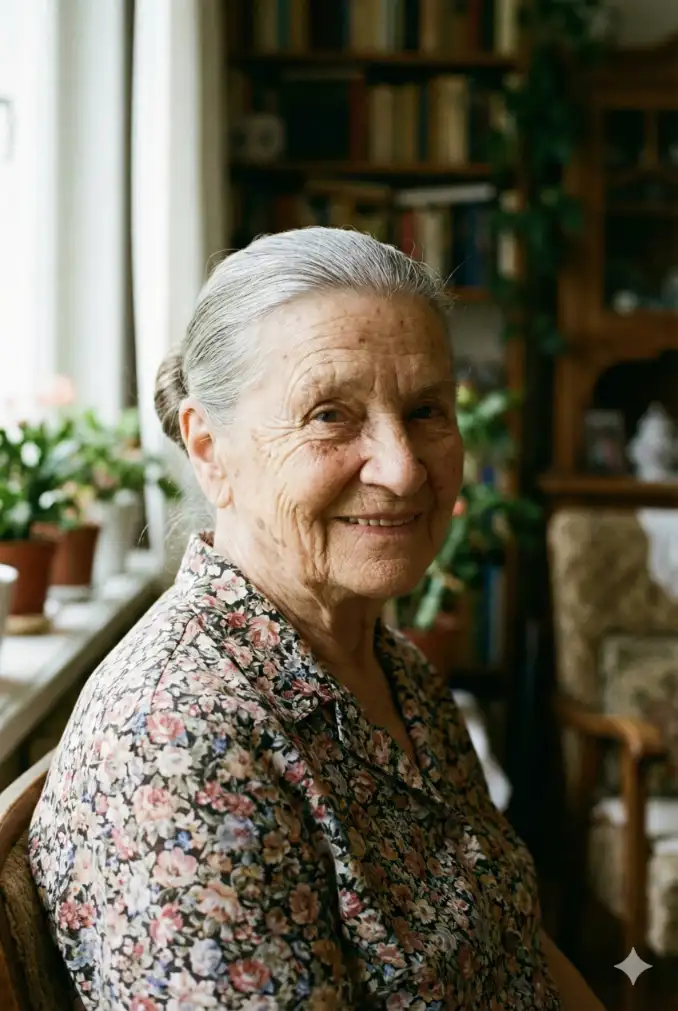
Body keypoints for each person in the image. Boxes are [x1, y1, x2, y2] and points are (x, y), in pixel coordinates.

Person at [29, 228, 605, 1010]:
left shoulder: (390, 667)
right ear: (208, 449)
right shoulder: (180, 741)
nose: (402, 468)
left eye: (427, 408)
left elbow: (514, 945)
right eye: (331, 414)